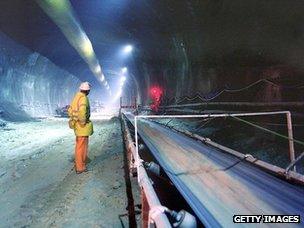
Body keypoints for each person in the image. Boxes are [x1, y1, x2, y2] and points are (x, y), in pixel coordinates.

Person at [68, 82, 94, 174]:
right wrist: (83, 122)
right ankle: (80, 167)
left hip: (77, 125)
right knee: (81, 147)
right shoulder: (83, 98)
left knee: (79, 145)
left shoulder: (76, 97)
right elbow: (82, 112)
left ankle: (81, 163)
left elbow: (70, 110)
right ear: (87, 91)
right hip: (82, 126)